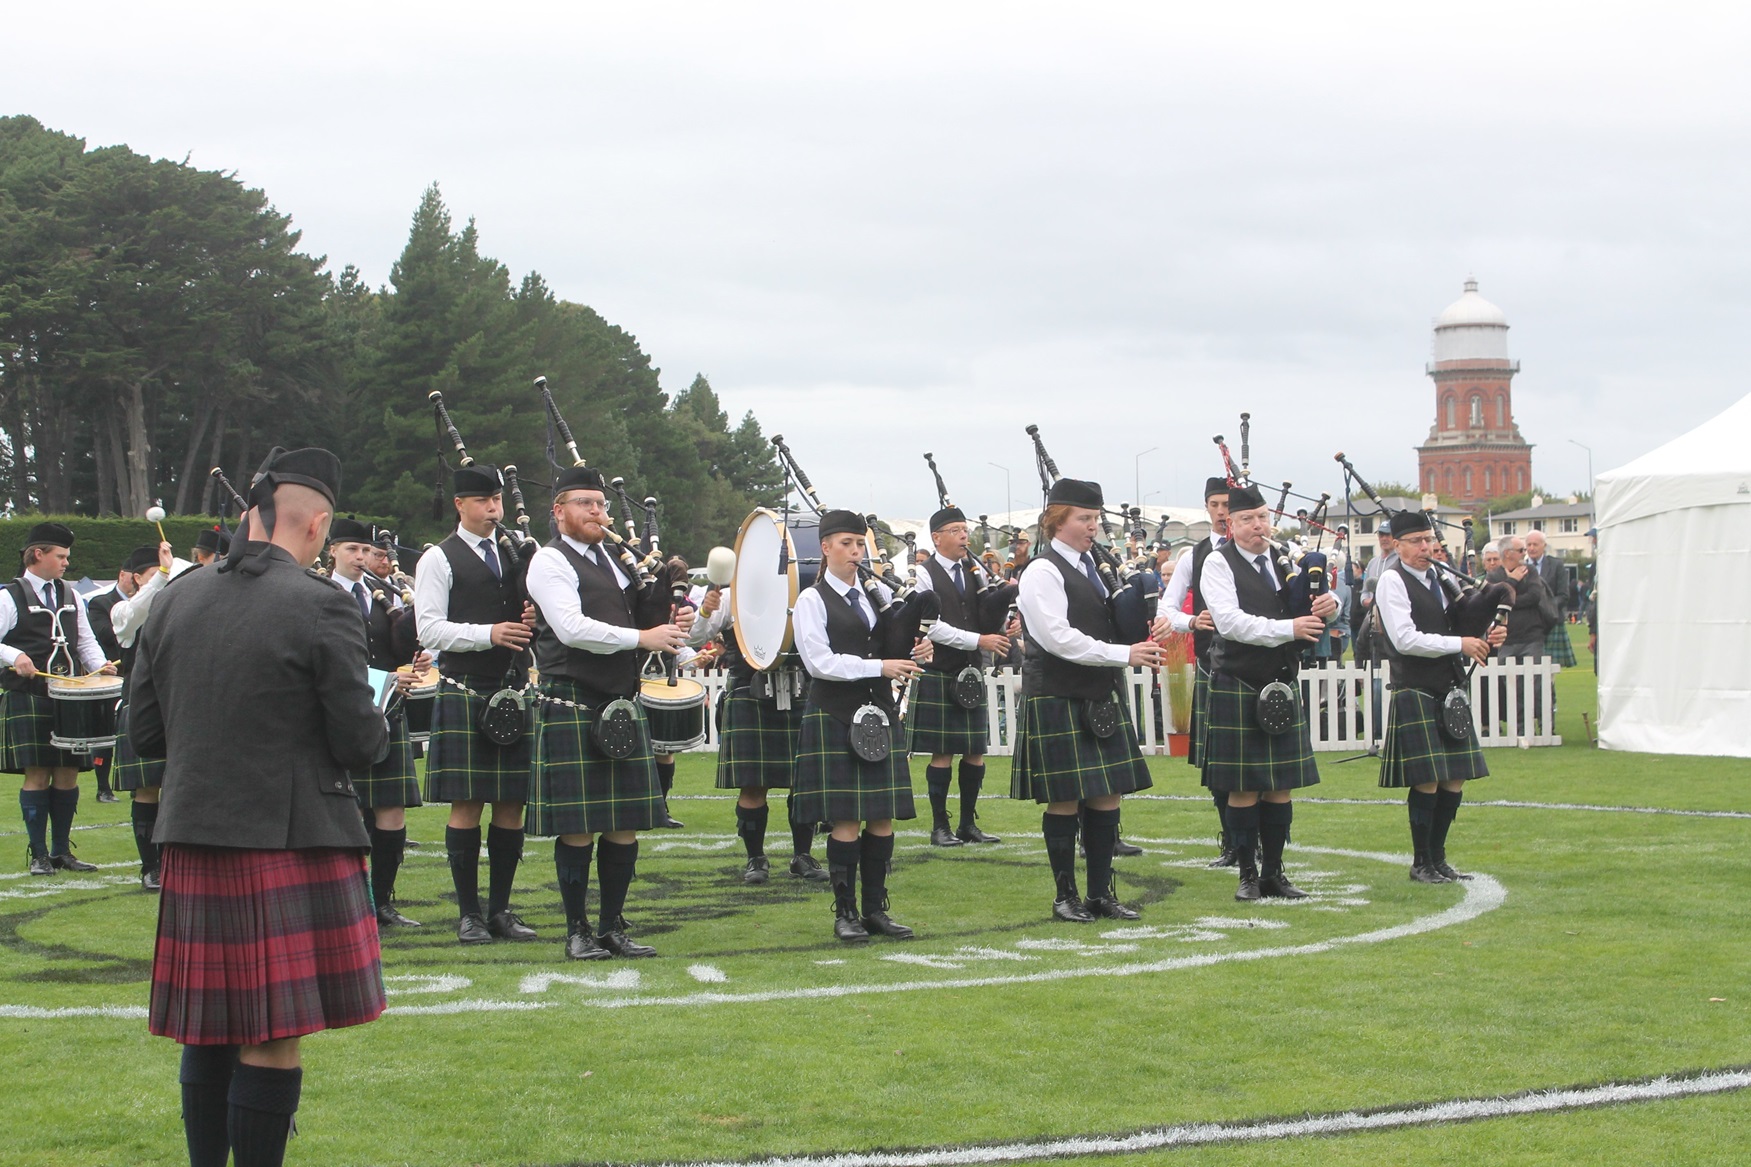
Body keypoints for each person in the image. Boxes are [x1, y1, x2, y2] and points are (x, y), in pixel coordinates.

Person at [129, 446, 390, 1167]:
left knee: (207, 1027)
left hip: (190, 831)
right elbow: (360, 741)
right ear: (317, 525)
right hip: (288, 835)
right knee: (271, 1032)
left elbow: (143, 732)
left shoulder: (176, 596)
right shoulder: (322, 603)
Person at [525, 467, 693, 960]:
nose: (597, 513)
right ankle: (577, 930)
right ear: (559, 512)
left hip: (619, 702)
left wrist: (669, 616)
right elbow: (573, 628)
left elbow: (639, 620)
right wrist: (643, 637)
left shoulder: (616, 562)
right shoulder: (549, 562)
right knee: (578, 825)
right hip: (573, 702)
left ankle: (613, 925)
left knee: (624, 822)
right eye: (585, 504)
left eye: (600, 505)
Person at [1010, 479, 1163, 923]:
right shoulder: (1042, 571)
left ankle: (1100, 894)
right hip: (1058, 693)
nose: (1092, 527)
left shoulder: (1092, 566)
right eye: (1084, 518)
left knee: (1108, 796)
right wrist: (1123, 654)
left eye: (1095, 519)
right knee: (1064, 798)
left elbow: (1109, 620)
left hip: (1098, 693)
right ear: (1057, 521)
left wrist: (1150, 628)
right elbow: (1058, 638)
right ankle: (1065, 896)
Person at [413, 465, 540, 946]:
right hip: (466, 688)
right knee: (467, 805)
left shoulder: (513, 554)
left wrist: (528, 615)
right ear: (460, 505)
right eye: (484, 502)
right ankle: (469, 914)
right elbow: (429, 629)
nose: (494, 510)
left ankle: (502, 910)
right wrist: (489, 633)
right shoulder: (438, 560)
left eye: (498, 501)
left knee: (511, 804)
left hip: (512, 687)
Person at [791, 510, 929, 943]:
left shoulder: (874, 598)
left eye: (860, 544)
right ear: (826, 548)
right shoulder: (811, 601)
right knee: (846, 821)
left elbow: (890, 646)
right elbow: (820, 664)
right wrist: (880, 666)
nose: (856, 552)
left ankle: (875, 910)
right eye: (847, 544)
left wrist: (915, 648)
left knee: (882, 819)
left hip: (878, 714)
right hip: (834, 713)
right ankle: (845, 912)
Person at [1200, 483, 1336, 901]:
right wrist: (1287, 629)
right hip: (1238, 682)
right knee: (1244, 787)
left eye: (1262, 517)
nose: (1257, 526)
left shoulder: (1283, 561)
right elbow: (1230, 622)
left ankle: (1274, 873)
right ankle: (1246, 873)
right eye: (1246, 520)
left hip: (1280, 682)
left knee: (1280, 786)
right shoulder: (1217, 564)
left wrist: (1330, 607)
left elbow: (1307, 608)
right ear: (1231, 524)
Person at [1375, 510, 1506, 882]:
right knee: (1428, 779)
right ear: (1397, 545)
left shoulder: (1440, 576)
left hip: (1448, 687)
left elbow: (1461, 625)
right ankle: (1421, 862)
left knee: (1455, 779)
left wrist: (1485, 637)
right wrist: (1460, 643)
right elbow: (1404, 638)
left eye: (1428, 539)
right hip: (1415, 687)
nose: (1425, 547)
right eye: (1416, 541)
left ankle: (1439, 857)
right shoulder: (1392, 581)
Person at [686, 576, 827, 885]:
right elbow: (695, 636)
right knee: (751, 784)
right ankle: (755, 859)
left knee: (803, 782)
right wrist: (706, 612)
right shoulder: (728, 596)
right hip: (749, 691)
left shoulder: (803, 593)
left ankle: (802, 856)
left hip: (800, 690)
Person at [327, 517, 429, 927]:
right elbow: (328, 662)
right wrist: (385, 678)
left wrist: (414, 659)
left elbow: (394, 649)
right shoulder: (320, 595)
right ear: (331, 551)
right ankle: (344, 903)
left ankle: (381, 903)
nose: (362, 558)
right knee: (343, 813)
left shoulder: (381, 597)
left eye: (368, 551)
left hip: (387, 714)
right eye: (353, 550)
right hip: (338, 716)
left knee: (392, 811)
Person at [1, 522, 117, 875]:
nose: (67, 563)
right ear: (39, 554)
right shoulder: (10, 595)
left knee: (68, 775)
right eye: (61, 556)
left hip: (69, 698)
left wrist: (100, 667)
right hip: (30, 696)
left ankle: (61, 852)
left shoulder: (70, 595)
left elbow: (84, 641)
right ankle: (38, 855)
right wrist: (14, 657)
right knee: (37, 775)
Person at [908, 505, 1015, 847]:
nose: (963, 536)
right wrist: (979, 640)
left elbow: (982, 616)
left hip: (970, 671)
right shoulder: (923, 574)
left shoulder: (973, 572)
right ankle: (940, 827)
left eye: (964, 530)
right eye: (954, 531)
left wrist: (1005, 619)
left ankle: (968, 823)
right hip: (941, 671)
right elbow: (931, 626)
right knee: (943, 752)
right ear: (936, 538)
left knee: (974, 751)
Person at [110, 541, 197, 890]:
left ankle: (179, 863)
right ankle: (151, 868)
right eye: (155, 575)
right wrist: (162, 576)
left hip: (184, 706)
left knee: (184, 787)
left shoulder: (186, 610)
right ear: (136, 578)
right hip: (143, 705)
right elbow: (132, 619)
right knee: (147, 789)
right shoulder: (121, 610)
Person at [1159, 477, 1233, 865]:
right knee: (1218, 764)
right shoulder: (1194, 555)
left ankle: (1258, 845)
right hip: (1212, 666)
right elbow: (1166, 609)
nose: (1223, 512)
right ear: (1207, 508)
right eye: (1216, 504)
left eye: (1228, 504)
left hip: (1259, 668)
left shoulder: (1266, 552)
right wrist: (1191, 622)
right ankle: (1233, 843)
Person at [1487, 535, 1557, 734]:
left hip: (1531, 637)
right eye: (1521, 550)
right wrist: (1513, 581)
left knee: (1536, 685)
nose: (1524, 553)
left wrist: (1509, 600)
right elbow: (1494, 600)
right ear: (1508, 553)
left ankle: (1546, 728)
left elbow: (1535, 596)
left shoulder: (1531, 570)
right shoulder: (1494, 576)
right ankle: (1520, 729)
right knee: (1511, 687)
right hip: (1506, 640)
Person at [82, 562, 133, 804]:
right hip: (109, 677)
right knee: (104, 736)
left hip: (137, 677)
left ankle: (138, 783)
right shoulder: (100, 603)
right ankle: (103, 788)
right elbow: (105, 634)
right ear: (122, 575)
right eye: (134, 577)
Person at [1525, 531, 1576, 668]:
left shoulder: (1556, 565)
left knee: (1549, 671)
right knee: (1530, 668)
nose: (1531, 548)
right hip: (1527, 625)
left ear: (1544, 546)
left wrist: (1545, 607)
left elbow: (1563, 595)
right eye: (1528, 544)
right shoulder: (1520, 567)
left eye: (1535, 544)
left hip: (1551, 622)